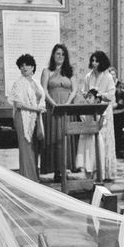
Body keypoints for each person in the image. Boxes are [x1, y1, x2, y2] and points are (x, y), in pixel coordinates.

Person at [75, 51, 116, 180]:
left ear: (102, 62)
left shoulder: (108, 77)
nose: (94, 63)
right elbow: (84, 91)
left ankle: (105, 172)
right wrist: (88, 95)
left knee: (104, 140)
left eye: (96, 61)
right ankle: (92, 170)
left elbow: (111, 95)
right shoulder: (89, 76)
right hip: (92, 110)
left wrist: (99, 94)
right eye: (92, 60)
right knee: (92, 141)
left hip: (104, 110)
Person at [40, 44, 78, 174]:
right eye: (58, 53)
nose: (60, 56)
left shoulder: (70, 71)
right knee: (54, 137)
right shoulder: (47, 71)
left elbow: (74, 90)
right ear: (53, 55)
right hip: (53, 109)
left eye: (63, 54)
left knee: (65, 137)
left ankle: (65, 168)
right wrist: (54, 104)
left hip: (67, 109)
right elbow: (44, 90)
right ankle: (55, 170)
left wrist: (67, 103)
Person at [10, 53, 46, 182]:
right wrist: (36, 109)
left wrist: (39, 109)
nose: (24, 67)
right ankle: (27, 179)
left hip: (35, 117)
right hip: (23, 117)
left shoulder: (36, 83)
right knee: (26, 147)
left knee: (34, 147)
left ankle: (34, 177)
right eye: (21, 65)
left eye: (27, 64)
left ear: (33, 67)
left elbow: (42, 99)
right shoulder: (18, 83)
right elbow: (18, 104)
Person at [108, 67, 124, 155]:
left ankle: (117, 151)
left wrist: (117, 105)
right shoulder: (106, 85)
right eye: (110, 74)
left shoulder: (121, 85)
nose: (112, 76)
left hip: (119, 112)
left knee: (118, 132)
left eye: (114, 74)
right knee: (109, 133)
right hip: (109, 112)